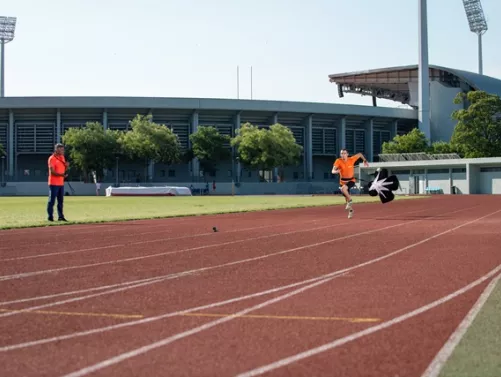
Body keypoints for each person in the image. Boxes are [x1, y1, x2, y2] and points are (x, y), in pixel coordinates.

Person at [331, 149, 369, 218]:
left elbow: (360, 154)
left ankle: (350, 201)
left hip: (351, 180)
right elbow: (333, 171)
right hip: (342, 181)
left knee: (343, 189)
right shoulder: (338, 161)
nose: (343, 155)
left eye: (344, 153)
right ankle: (351, 210)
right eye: (341, 153)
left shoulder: (351, 159)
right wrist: (336, 171)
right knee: (346, 199)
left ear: (347, 154)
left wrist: (365, 160)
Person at [47, 143, 69, 222]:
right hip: (53, 183)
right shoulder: (51, 158)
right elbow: (52, 172)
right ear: (56, 149)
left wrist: (66, 166)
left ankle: (61, 216)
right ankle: (50, 217)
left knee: (60, 201)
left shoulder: (62, 157)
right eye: (61, 149)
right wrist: (62, 175)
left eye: (63, 149)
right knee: (51, 200)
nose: (63, 151)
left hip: (60, 183)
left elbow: (63, 169)